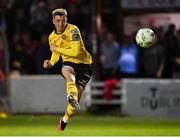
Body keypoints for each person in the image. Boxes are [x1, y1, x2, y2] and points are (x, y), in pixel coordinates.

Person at [43, 8, 93, 131]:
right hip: (68, 62)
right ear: (53, 21)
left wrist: (56, 49)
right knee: (68, 73)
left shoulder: (73, 30)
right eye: (58, 21)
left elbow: (75, 52)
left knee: (76, 99)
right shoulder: (52, 37)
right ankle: (71, 95)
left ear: (66, 20)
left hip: (84, 64)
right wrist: (51, 63)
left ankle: (64, 119)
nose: (60, 24)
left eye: (63, 21)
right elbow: (55, 54)